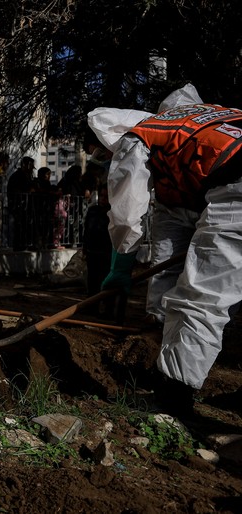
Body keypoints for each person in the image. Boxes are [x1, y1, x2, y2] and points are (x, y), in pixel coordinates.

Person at [89, 83, 242, 414]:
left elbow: (126, 215)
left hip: (237, 187)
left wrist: (120, 265)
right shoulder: (209, 122)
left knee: (201, 298)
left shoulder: (143, 135)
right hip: (229, 177)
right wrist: (158, 310)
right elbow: (171, 225)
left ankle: (173, 398)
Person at [81, 184, 112, 315]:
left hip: (107, 253)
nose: (103, 199)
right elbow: (87, 230)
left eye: (107, 196)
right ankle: (91, 307)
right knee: (92, 282)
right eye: (102, 196)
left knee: (106, 282)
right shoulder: (93, 211)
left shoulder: (113, 213)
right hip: (92, 252)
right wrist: (85, 248)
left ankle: (107, 310)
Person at [6, 156, 36, 250]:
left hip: (26, 206)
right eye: (30, 166)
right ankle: (18, 245)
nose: (31, 169)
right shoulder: (17, 176)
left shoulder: (28, 176)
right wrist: (27, 191)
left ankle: (26, 244)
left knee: (26, 226)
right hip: (18, 206)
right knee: (19, 226)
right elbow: (15, 190)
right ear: (24, 165)